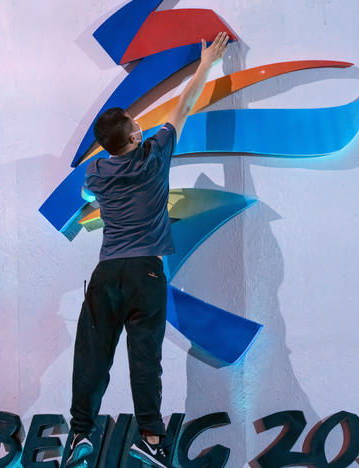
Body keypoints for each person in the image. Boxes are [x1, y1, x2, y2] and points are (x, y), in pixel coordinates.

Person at [66, 32, 231, 468]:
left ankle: (79, 432)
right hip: (146, 274)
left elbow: (86, 194)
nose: (141, 126)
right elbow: (184, 104)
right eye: (136, 125)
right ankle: (151, 439)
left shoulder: (97, 171)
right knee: (145, 359)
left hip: (106, 274)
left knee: (92, 356)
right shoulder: (155, 156)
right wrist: (207, 61)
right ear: (135, 138)